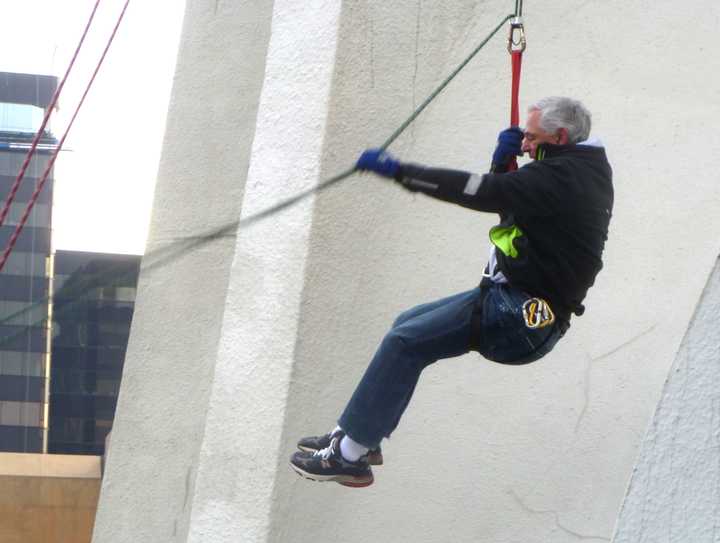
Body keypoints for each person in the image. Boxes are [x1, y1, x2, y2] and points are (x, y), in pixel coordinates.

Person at [289, 96, 614, 487]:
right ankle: (358, 435)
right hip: (514, 302)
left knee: (405, 341)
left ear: (559, 137)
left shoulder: (562, 177)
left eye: (531, 138)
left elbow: (478, 192)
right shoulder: (575, 171)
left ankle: (349, 457)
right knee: (406, 324)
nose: (525, 145)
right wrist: (501, 165)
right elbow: (514, 204)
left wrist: (400, 172)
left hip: (521, 318)